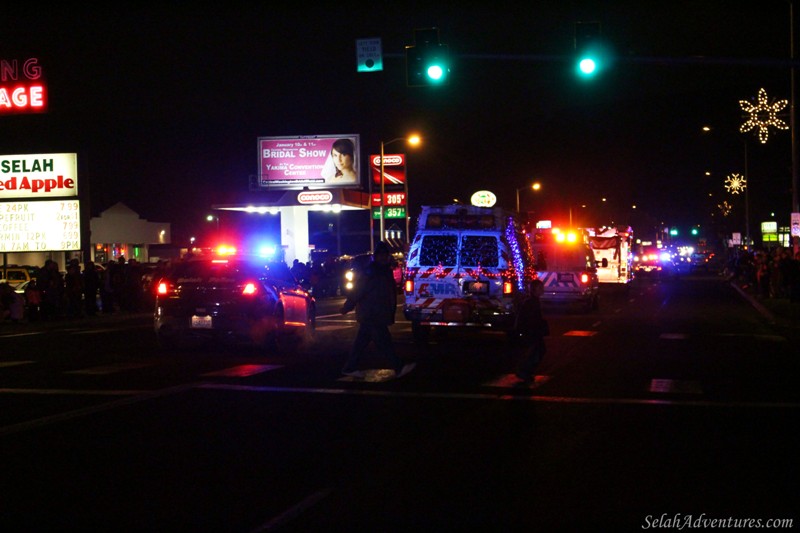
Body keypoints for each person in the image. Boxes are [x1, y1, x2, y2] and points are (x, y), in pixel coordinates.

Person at [340, 241, 414, 379]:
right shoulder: (372, 272)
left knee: (361, 343)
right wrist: (347, 306)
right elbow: (358, 290)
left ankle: (349, 367)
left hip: (375, 313)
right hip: (373, 313)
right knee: (384, 342)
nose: (383, 257)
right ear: (376, 256)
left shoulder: (383, 271)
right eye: (381, 255)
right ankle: (398, 367)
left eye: (385, 255)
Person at [514, 279, 549, 383]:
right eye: (540, 288)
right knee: (537, 351)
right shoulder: (532, 302)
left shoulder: (533, 301)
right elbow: (530, 319)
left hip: (532, 331)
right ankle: (524, 371)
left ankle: (526, 371)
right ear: (534, 290)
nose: (542, 290)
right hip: (531, 331)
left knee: (537, 351)